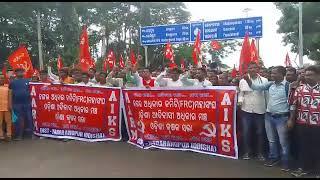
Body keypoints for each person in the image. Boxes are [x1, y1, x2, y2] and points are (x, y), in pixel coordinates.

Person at [243, 66, 291, 171]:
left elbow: (292, 104)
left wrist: (290, 119)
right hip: (269, 117)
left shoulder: (288, 86)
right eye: (272, 73)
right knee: (272, 140)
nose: (272, 75)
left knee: (283, 142)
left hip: (281, 118)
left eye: (274, 73)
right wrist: (247, 80)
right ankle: (274, 158)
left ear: (282, 74)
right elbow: (256, 87)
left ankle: (285, 162)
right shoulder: (270, 84)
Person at [288, 65, 320, 177]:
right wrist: (291, 120)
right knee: (303, 146)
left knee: (317, 147)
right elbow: (293, 105)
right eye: (306, 75)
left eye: (310, 75)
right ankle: (303, 168)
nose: (307, 77)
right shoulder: (299, 89)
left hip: (317, 124)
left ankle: (317, 170)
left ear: (318, 76)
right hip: (302, 123)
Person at [238, 62, 268, 161]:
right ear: (247, 69)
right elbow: (241, 94)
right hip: (246, 110)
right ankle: (247, 152)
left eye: (254, 68)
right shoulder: (243, 81)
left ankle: (260, 153)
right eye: (250, 68)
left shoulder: (264, 80)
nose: (252, 70)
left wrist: (267, 108)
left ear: (258, 69)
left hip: (260, 110)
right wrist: (240, 101)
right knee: (246, 132)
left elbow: (266, 96)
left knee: (260, 132)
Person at [9, 68, 33, 140]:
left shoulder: (29, 81)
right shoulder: (12, 82)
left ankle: (30, 134)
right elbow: (10, 94)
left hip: (27, 103)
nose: (20, 73)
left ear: (24, 73)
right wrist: (10, 104)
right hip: (16, 104)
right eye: (18, 72)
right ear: (15, 73)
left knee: (29, 119)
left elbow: (33, 92)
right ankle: (18, 135)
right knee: (17, 120)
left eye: (21, 71)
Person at [0, 75, 12, 142]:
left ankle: (8, 135)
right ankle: (1, 136)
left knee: (8, 122)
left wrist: (10, 105)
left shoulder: (7, 86)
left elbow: (10, 96)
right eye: (0, 78)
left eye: (2, 78)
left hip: (7, 107)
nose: (1, 79)